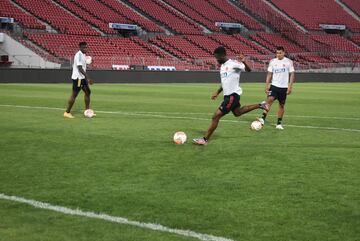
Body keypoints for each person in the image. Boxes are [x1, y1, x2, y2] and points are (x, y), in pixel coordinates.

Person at [193, 46, 269, 145]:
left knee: (215, 117)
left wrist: (244, 61)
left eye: (217, 57)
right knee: (237, 112)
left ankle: (205, 139)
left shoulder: (233, 64)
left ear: (223, 55)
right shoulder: (222, 66)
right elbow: (225, 82)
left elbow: (249, 70)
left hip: (232, 96)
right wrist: (217, 92)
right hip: (229, 96)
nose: (216, 59)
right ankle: (260, 105)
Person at [257, 46, 295, 129]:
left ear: (284, 53)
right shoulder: (272, 61)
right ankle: (262, 118)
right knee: (269, 100)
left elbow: (292, 74)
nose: (278, 54)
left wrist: (290, 86)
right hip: (274, 86)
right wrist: (266, 85)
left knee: (281, 105)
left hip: (283, 87)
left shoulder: (289, 62)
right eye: (277, 53)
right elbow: (269, 74)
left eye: (280, 53)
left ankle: (279, 123)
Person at [64, 41, 95, 118]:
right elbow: (80, 68)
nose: (86, 48)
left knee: (88, 92)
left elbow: (83, 64)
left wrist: (89, 62)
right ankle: (67, 112)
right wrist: (88, 78)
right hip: (78, 78)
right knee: (74, 94)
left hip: (82, 78)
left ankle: (87, 111)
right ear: (80, 48)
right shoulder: (79, 55)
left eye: (86, 47)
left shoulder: (83, 55)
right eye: (84, 47)